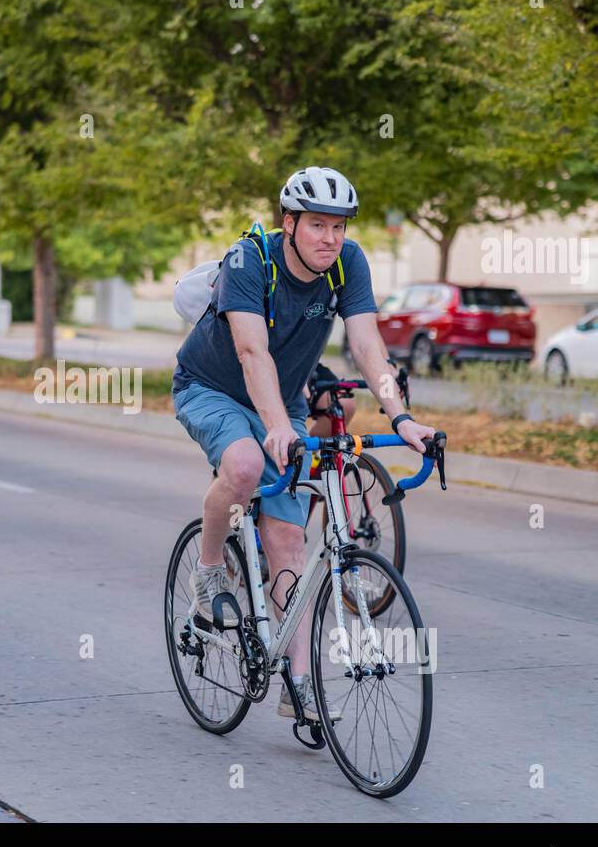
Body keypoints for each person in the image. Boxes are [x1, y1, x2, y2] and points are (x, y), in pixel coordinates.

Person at [172, 165, 436, 723]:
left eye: (338, 227)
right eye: (317, 225)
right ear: (288, 223)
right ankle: (210, 568)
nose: (330, 238)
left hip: (283, 402)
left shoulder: (348, 263)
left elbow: (368, 347)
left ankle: (297, 683)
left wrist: (404, 417)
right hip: (212, 387)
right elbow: (251, 353)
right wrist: (277, 427)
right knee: (243, 465)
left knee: (290, 539)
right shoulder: (251, 261)